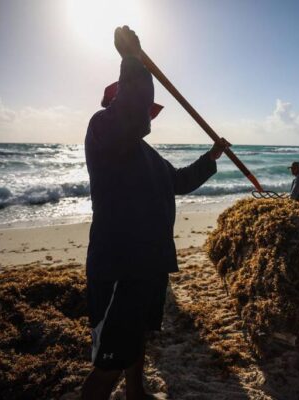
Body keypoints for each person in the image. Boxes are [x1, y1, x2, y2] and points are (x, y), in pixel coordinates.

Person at [82, 26, 230, 400]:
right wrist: (131, 58)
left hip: (149, 261)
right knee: (109, 359)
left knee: (138, 334)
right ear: (120, 105)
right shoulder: (102, 130)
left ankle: (137, 392)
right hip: (119, 263)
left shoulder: (147, 154)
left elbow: (178, 181)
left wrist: (209, 159)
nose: (148, 116)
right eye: (144, 109)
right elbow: (130, 111)